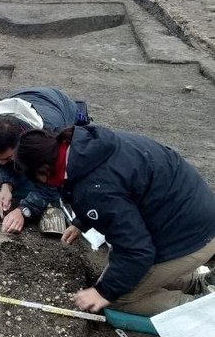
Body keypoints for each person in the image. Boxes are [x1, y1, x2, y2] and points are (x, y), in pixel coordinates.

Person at [14, 125, 215, 316]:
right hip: (192, 215)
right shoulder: (82, 146)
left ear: (43, 171)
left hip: (190, 238)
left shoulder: (93, 189)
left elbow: (137, 250)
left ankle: (203, 311)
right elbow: (117, 191)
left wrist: (103, 293)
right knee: (123, 277)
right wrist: (82, 221)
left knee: (120, 299)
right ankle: (200, 284)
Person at [0, 87, 89, 233]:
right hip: (32, 99)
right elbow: (0, 160)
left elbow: (54, 179)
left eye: (8, 158)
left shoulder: (52, 134)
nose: (2, 163)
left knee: (62, 185)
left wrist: (24, 210)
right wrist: (6, 185)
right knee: (21, 182)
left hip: (61, 108)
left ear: (23, 142)